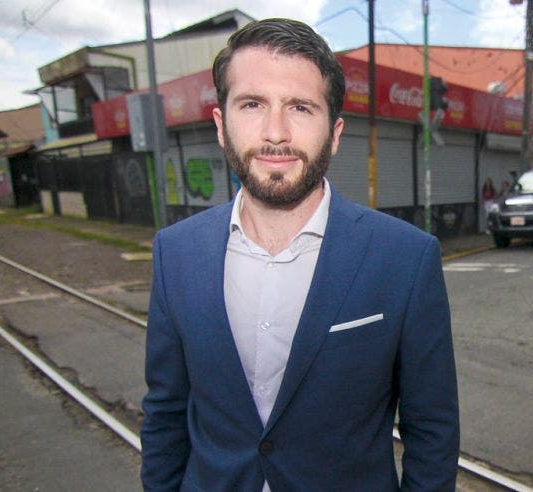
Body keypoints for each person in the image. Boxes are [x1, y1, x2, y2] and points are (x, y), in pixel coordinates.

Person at [140, 19, 459, 491]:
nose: (276, 132)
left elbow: (431, 430)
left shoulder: (406, 258)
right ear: (221, 125)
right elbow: (165, 414)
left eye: (301, 108)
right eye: (252, 104)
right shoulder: (175, 252)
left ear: (333, 133)